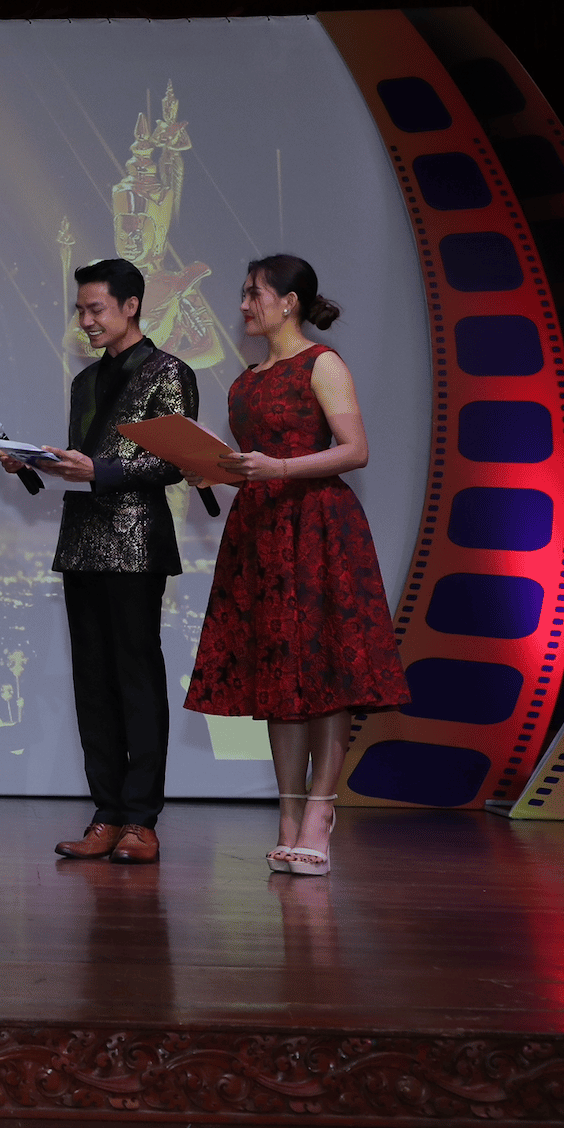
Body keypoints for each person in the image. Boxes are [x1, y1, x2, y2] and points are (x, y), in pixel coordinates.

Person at [183, 255, 407, 877]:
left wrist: (278, 468)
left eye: (253, 293)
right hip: (259, 531)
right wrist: (211, 470)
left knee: (326, 668)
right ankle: (287, 816)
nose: (243, 305)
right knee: (278, 674)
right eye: (244, 293)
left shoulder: (322, 363)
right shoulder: (246, 380)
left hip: (319, 528)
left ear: (290, 302)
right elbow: (249, 463)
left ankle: (319, 814)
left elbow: (354, 450)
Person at [0, 258, 197, 866]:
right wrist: (33, 464)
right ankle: (105, 814)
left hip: (136, 544)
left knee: (137, 678)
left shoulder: (169, 372)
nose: (84, 320)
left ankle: (141, 819)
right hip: (82, 541)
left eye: (96, 309)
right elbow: (82, 462)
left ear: (131, 306)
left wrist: (98, 469)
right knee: (92, 683)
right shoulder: (85, 381)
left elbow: (176, 461)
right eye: (80, 310)